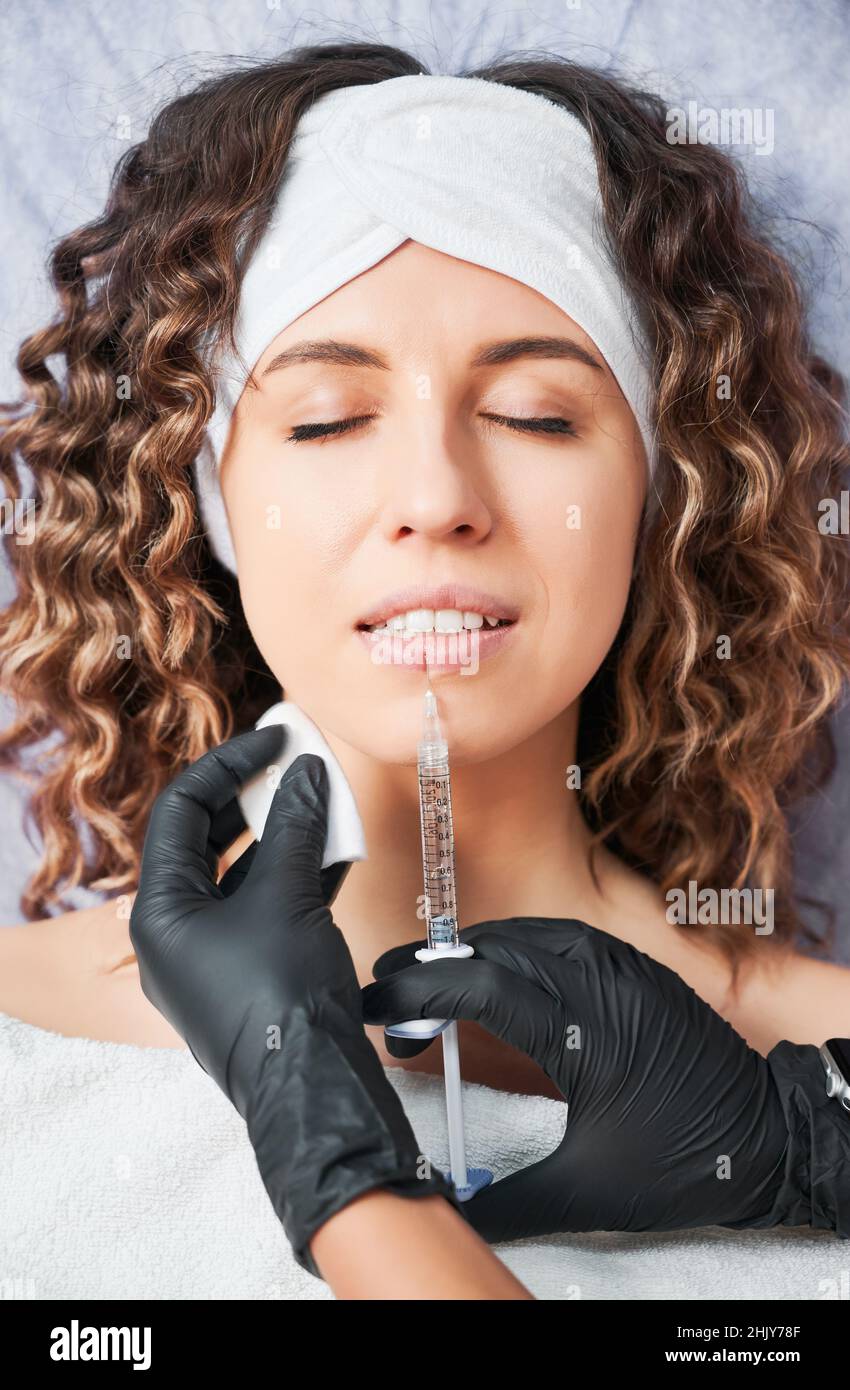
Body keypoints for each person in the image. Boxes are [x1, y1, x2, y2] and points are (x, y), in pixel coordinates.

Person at [1, 41, 849, 1298]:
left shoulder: (816, 1085)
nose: (438, 498)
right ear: (208, 499)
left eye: (536, 416)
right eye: (327, 419)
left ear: (658, 494)